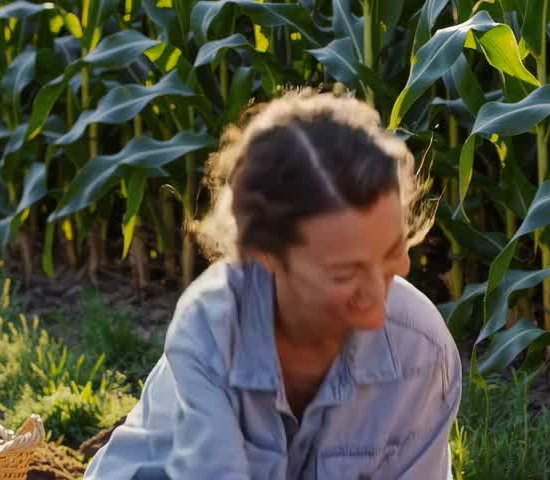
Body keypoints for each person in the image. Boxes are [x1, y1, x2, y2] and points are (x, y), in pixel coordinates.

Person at [83, 90, 462, 480]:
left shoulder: (420, 350)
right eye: (344, 272)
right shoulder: (213, 334)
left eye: (390, 255)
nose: (376, 307)